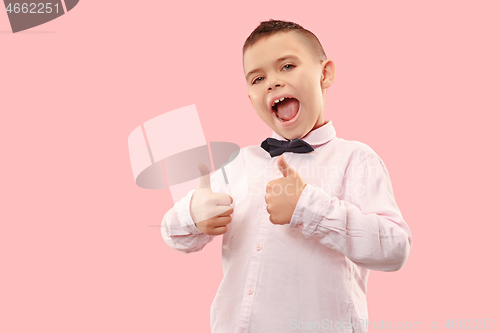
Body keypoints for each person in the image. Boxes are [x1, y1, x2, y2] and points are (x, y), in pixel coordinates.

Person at [161, 19, 412, 333]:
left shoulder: (356, 159)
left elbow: (395, 249)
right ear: (251, 98)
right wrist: (191, 216)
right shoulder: (239, 163)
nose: (272, 83)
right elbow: (174, 236)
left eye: (288, 66)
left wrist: (308, 207)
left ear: (325, 73)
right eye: (257, 78)